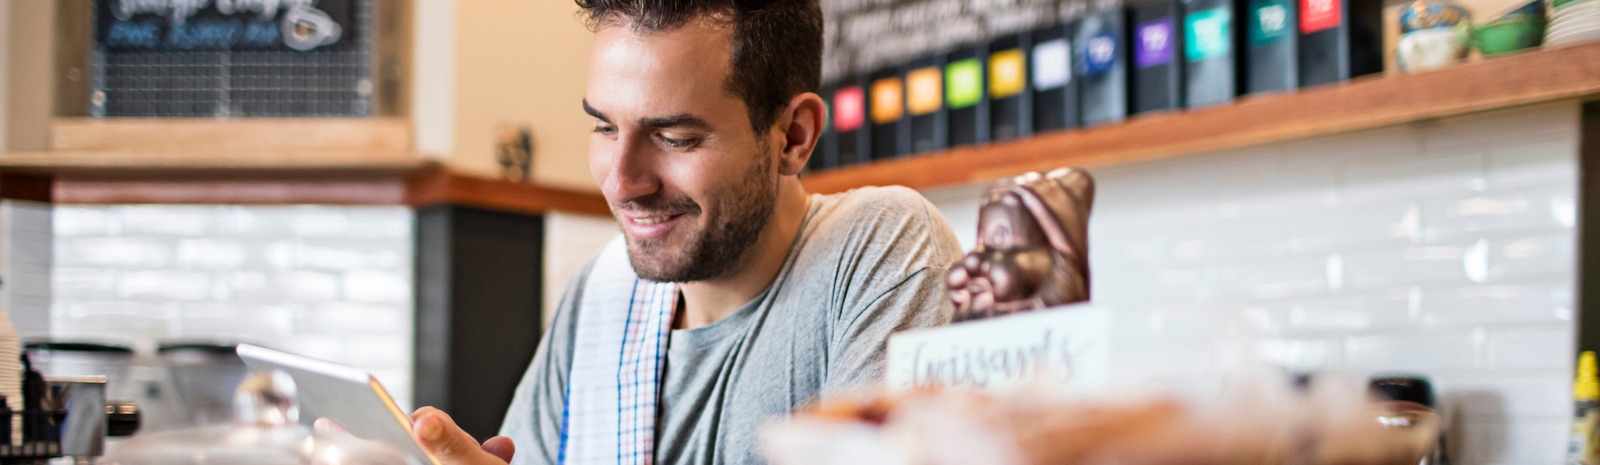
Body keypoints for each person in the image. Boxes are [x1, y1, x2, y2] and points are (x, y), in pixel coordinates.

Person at [403, 0, 962, 463]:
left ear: (793, 135)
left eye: (673, 137)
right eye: (603, 126)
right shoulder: (602, 295)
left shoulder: (882, 249)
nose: (621, 183)